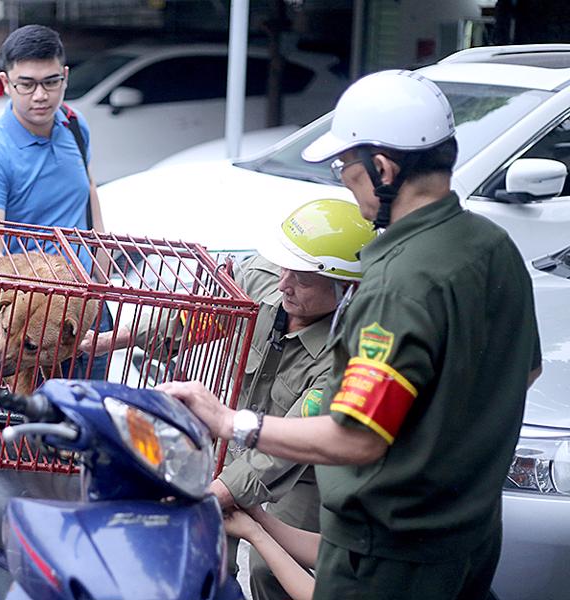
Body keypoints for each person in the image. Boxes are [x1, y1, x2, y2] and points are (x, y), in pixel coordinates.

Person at [160, 70, 542, 600]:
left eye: (346, 167)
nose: (343, 179)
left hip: (387, 555)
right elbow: (525, 371)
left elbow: (355, 436)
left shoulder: (399, 280)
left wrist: (230, 421)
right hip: (469, 536)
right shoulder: (493, 247)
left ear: (382, 169)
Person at [83, 198, 375, 600]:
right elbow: (196, 313)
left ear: (346, 288)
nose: (284, 283)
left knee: (273, 572)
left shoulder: (350, 353)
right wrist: (113, 340)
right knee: (202, 551)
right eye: (285, 267)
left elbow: (284, 451)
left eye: (303, 279)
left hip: (303, 466)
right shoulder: (263, 277)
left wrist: (220, 493)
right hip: (228, 437)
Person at [0, 24, 110, 380]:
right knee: (18, 431)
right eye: (26, 84)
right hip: (27, 325)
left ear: (66, 76)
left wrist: (103, 280)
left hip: (86, 310)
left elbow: (89, 198)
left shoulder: (75, 126)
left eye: (50, 81)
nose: (40, 95)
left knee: (85, 426)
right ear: (7, 82)